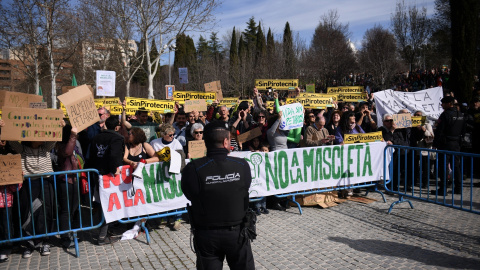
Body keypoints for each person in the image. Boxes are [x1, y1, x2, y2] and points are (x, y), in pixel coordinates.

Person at [181, 121, 255, 270]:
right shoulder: (242, 165)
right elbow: (244, 189)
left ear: (205, 142)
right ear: (226, 141)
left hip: (207, 235)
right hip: (237, 234)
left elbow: (190, 194)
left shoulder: (193, 168)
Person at [2, 119, 66, 257]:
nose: (42, 138)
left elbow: (54, 138)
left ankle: (44, 241)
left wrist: (59, 126)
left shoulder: (46, 148)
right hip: (28, 184)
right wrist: (3, 127)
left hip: (45, 183)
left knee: (46, 212)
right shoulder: (23, 149)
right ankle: (29, 243)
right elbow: (11, 141)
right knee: (27, 213)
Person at [88, 115, 125, 245]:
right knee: (108, 205)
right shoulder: (117, 138)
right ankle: (102, 237)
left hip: (97, 174)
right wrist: (114, 169)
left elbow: (91, 156)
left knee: (103, 204)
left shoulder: (96, 137)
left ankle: (102, 231)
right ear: (116, 127)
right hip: (109, 177)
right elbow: (114, 155)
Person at [150, 123, 185, 230]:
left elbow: (181, 158)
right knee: (163, 196)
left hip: (174, 175)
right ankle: (163, 218)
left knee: (176, 195)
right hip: (160, 175)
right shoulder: (154, 143)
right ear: (163, 135)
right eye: (170, 135)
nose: (172, 137)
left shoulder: (176, 143)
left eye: (173, 134)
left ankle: (177, 218)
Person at [431, 96, 465, 195]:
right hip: (456, 143)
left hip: (445, 144)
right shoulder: (460, 114)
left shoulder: (445, 115)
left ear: (449, 103)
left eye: (443, 103)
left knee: (444, 167)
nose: (442, 105)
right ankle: (458, 188)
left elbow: (439, 131)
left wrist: (435, 144)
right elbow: (463, 130)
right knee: (456, 166)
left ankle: (443, 189)